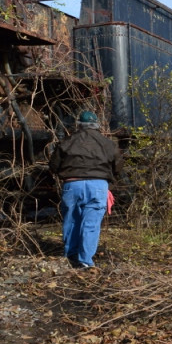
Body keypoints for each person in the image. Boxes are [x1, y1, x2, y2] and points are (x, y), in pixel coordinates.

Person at [49, 111, 123, 270]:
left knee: (71, 221)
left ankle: (70, 256)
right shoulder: (108, 144)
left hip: (72, 185)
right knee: (91, 224)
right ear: (97, 125)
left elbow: (53, 166)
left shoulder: (67, 142)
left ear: (79, 125)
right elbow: (118, 167)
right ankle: (85, 260)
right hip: (98, 187)